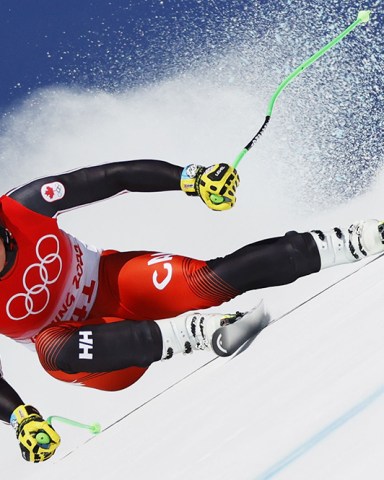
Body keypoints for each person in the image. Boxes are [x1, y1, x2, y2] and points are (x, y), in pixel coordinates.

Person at [0, 159, 383, 463]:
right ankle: (194, 334)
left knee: (207, 280)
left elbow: (111, 177)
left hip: (116, 284)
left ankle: (353, 240)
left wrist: (191, 179)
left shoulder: (24, 205)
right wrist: (21, 418)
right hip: (99, 360)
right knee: (50, 348)